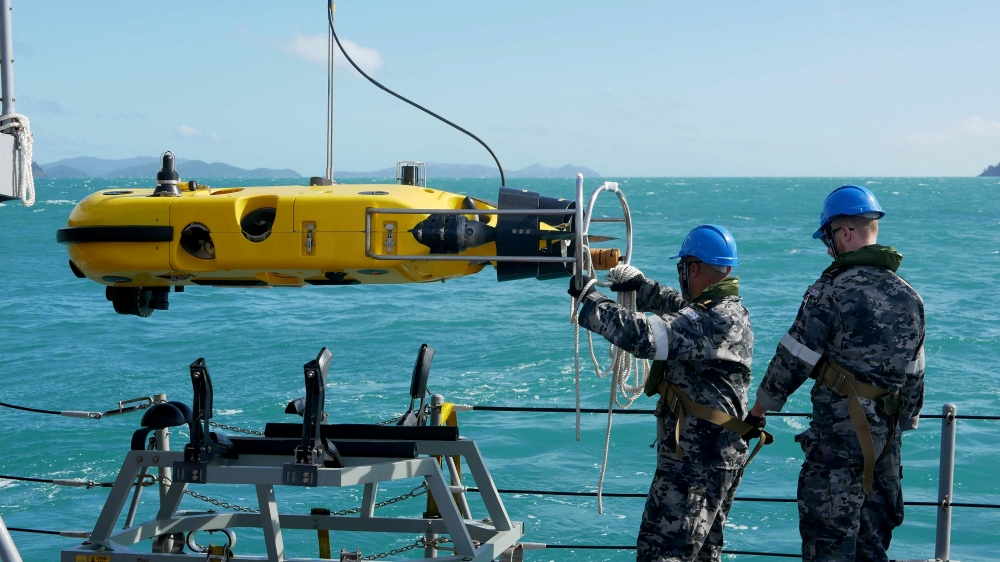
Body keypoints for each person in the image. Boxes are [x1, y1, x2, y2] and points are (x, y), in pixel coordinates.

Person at [748, 185, 925, 561]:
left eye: (829, 238)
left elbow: (792, 359)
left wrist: (757, 414)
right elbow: (914, 374)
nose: (828, 248)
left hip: (839, 448)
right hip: (885, 451)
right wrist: (900, 426)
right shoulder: (909, 295)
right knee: (872, 545)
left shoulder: (831, 289)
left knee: (828, 545)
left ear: (844, 231)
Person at [570, 224, 764, 562]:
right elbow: (681, 309)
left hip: (697, 463)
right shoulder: (724, 310)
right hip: (712, 456)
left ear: (693, 268)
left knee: (663, 554)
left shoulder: (712, 320)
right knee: (702, 554)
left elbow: (646, 335)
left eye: (683, 269)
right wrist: (642, 288)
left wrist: (592, 301)